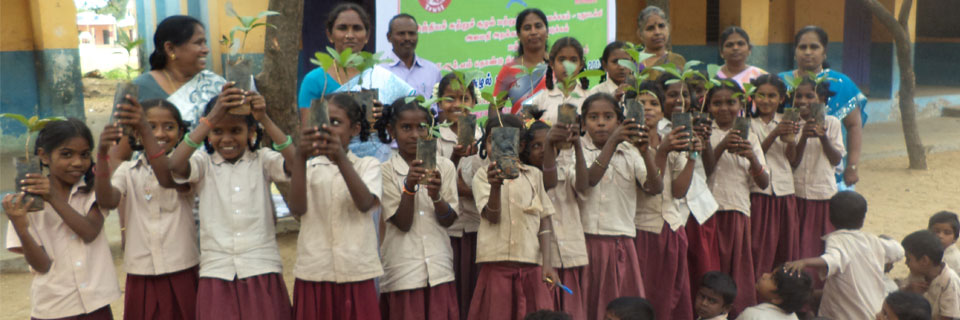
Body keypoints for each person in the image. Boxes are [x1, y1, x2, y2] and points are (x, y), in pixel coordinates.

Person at [168, 85, 304, 319]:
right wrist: (210, 119)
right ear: (208, 131)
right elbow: (176, 166)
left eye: (236, 130)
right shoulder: (203, 162)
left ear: (251, 132)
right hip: (217, 271)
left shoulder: (263, 159)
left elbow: (295, 164)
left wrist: (266, 120)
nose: (227, 139)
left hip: (261, 267)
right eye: (218, 131)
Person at [3, 119, 121, 319]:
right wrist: (20, 227)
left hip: (96, 306)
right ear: (44, 156)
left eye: (84, 155)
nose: (77, 162)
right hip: (54, 307)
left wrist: (53, 198)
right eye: (66, 154)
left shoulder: (92, 191)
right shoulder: (28, 202)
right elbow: (42, 266)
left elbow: (89, 232)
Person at [95, 99, 199, 319]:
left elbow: (168, 176)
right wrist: (102, 156)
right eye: (150, 126)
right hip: (141, 273)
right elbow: (107, 200)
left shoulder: (187, 166)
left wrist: (144, 128)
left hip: (182, 269)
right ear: (136, 132)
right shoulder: (127, 171)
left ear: (181, 132)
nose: (159, 133)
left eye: (168, 127)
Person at [288, 93, 383, 319]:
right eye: (320, 122)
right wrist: (300, 157)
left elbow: (364, 203)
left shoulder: (368, 165)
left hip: (356, 272)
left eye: (336, 123)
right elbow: (297, 210)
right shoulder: (308, 168)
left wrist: (339, 157)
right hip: (314, 273)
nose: (327, 129)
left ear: (355, 129)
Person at [579, 93, 662, 320]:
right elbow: (588, 181)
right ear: (583, 122)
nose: (601, 122)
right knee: (588, 307)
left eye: (608, 116)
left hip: (620, 242)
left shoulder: (631, 152)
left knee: (620, 310)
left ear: (619, 120)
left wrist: (646, 153)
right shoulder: (577, 150)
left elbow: (655, 188)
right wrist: (613, 141)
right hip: (585, 242)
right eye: (593, 117)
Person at [468, 113, 559, 320]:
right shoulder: (483, 176)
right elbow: (492, 216)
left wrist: (547, 263)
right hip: (496, 267)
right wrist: (495, 187)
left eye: (508, 139)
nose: (499, 147)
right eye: (492, 141)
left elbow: (544, 221)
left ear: (520, 146)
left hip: (531, 267)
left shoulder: (534, 175)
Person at [375, 100, 460, 320]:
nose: (415, 134)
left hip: (439, 271)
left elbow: (449, 220)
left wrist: (437, 196)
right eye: (406, 128)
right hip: (403, 275)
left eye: (421, 127)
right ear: (391, 131)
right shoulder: (384, 172)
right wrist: (410, 187)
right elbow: (403, 223)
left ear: (430, 129)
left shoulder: (445, 167)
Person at [298, 3, 415, 162]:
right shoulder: (315, 80)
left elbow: (411, 119)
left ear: (367, 36)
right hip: (328, 166)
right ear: (330, 34)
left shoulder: (380, 77)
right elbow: (309, 132)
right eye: (342, 28)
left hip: (378, 168)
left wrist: (387, 115)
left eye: (357, 28)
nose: (350, 35)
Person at [785, 191, 905, 319]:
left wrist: (804, 262)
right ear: (863, 218)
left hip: (847, 314)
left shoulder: (837, 240)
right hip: (875, 311)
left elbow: (833, 259)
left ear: (830, 217)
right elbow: (898, 251)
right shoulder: (873, 240)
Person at [705, 81, 770, 314]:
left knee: (735, 270)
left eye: (730, 102)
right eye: (717, 103)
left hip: (736, 211)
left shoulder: (750, 136)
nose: (724, 108)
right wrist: (722, 144)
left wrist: (752, 157)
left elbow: (764, 182)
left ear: (740, 104)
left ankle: (735, 314)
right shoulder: (705, 133)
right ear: (707, 105)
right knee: (711, 269)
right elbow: (704, 169)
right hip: (707, 213)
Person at [778, 25, 867, 191]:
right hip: (787, 168)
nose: (808, 52)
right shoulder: (781, 82)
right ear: (795, 51)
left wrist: (852, 166)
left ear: (824, 52)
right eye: (802, 47)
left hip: (828, 171)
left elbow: (854, 126)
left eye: (814, 47)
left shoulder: (841, 83)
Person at [634, 82, 696, 319]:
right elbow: (652, 188)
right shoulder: (628, 146)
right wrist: (661, 152)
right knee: (644, 298)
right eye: (641, 104)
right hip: (641, 231)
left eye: (653, 104)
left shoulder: (671, 142)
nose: (648, 108)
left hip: (671, 229)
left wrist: (692, 157)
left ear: (662, 112)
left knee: (669, 299)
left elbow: (679, 191)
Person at [528, 112, 589, 320]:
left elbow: (584, 186)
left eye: (549, 144)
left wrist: (577, 146)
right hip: (541, 263)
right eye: (537, 145)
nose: (543, 150)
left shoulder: (567, 169)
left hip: (569, 257)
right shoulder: (527, 177)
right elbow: (548, 181)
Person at [748, 75, 800, 280]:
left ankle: (783, 292)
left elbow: (792, 160)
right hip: (760, 192)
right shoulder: (749, 125)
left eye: (772, 96)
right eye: (761, 95)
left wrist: (791, 140)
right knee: (759, 248)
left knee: (785, 246)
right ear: (753, 97)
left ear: (781, 99)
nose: (766, 100)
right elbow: (755, 154)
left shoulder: (787, 120)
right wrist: (774, 134)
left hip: (785, 190)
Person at [790, 77, 845, 269]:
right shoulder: (791, 123)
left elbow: (836, 159)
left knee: (818, 245)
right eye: (798, 96)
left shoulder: (832, 123)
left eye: (809, 96)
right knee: (797, 244)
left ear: (821, 99)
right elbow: (792, 162)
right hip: (796, 194)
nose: (803, 101)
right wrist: (803, 137)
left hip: (822, 194)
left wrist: (823, 138)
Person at [134, 15, 225, 125]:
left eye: (205, 43)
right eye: (198, 43)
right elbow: (121, 137)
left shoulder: (215, 84)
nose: (206, 50)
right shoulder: (140, 88)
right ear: (170, 48)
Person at [494, 8, 550, 114]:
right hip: (522, 129)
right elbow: (495, 109)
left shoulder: (557, 65)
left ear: (547, 32)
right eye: (527, 28)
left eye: (538, 26)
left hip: (557, 130)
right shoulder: (509, 70)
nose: (533, 32)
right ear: (519, 35)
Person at [528, 37, 590, 124]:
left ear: (581, 65)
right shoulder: (539, 100)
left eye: (573, 60)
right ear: (552, 63)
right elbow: (526, 131)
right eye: (562, 60)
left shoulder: (590, 98)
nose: (567, 65)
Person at [900, 230, 960, 319]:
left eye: (908, 259)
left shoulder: (949, 281)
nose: (906, 263)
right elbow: (898, 301)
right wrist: (907, 290)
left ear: (924, 260)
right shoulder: (916, 275)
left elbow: (947, 317)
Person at [382, 14, 442, 99]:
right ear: (389, 37)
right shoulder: (379, 70)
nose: (407, 38)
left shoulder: (432, 71)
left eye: (412, 33)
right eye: (401, 33)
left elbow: (439, 105)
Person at [737, 267, 812, 320]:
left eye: (772, 278)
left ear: (778, 299)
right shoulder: (794, 317)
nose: (764, 275)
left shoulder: (753, 315)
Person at [635, 6, 686, 80]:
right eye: (650, 28)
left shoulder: (677, 60)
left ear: (669, 28)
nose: (657, 32)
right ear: (640, 34)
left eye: (661, 26)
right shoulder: (635, 63)